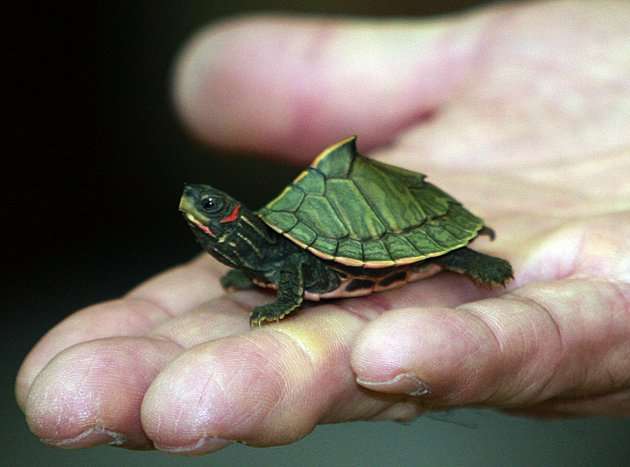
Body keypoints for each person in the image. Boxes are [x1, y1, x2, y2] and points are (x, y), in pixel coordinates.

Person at [16, 0, 630, 454]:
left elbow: (296, 272)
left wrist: (282, 302)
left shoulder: (282, 259)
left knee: (450, 262)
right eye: (200, 207)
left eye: (207, 204)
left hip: (387, 236)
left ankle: (461, 251)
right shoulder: (260, 251)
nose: (195, 204)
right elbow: (273, 261)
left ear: (231, 216)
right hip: (288, 251)